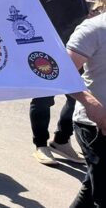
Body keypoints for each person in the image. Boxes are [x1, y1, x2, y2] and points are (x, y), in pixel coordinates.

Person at [29, 0, 89, 166]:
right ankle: (41, 144)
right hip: (44, 56)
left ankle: (62, 140)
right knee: (43, 100)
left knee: (77, 98)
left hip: (75, 53)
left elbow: (83, 18)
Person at [67, 12, 106, 207]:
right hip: (97, 125)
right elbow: (61, 72)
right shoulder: (95, 28)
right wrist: (89, 102)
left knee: (92, 190)